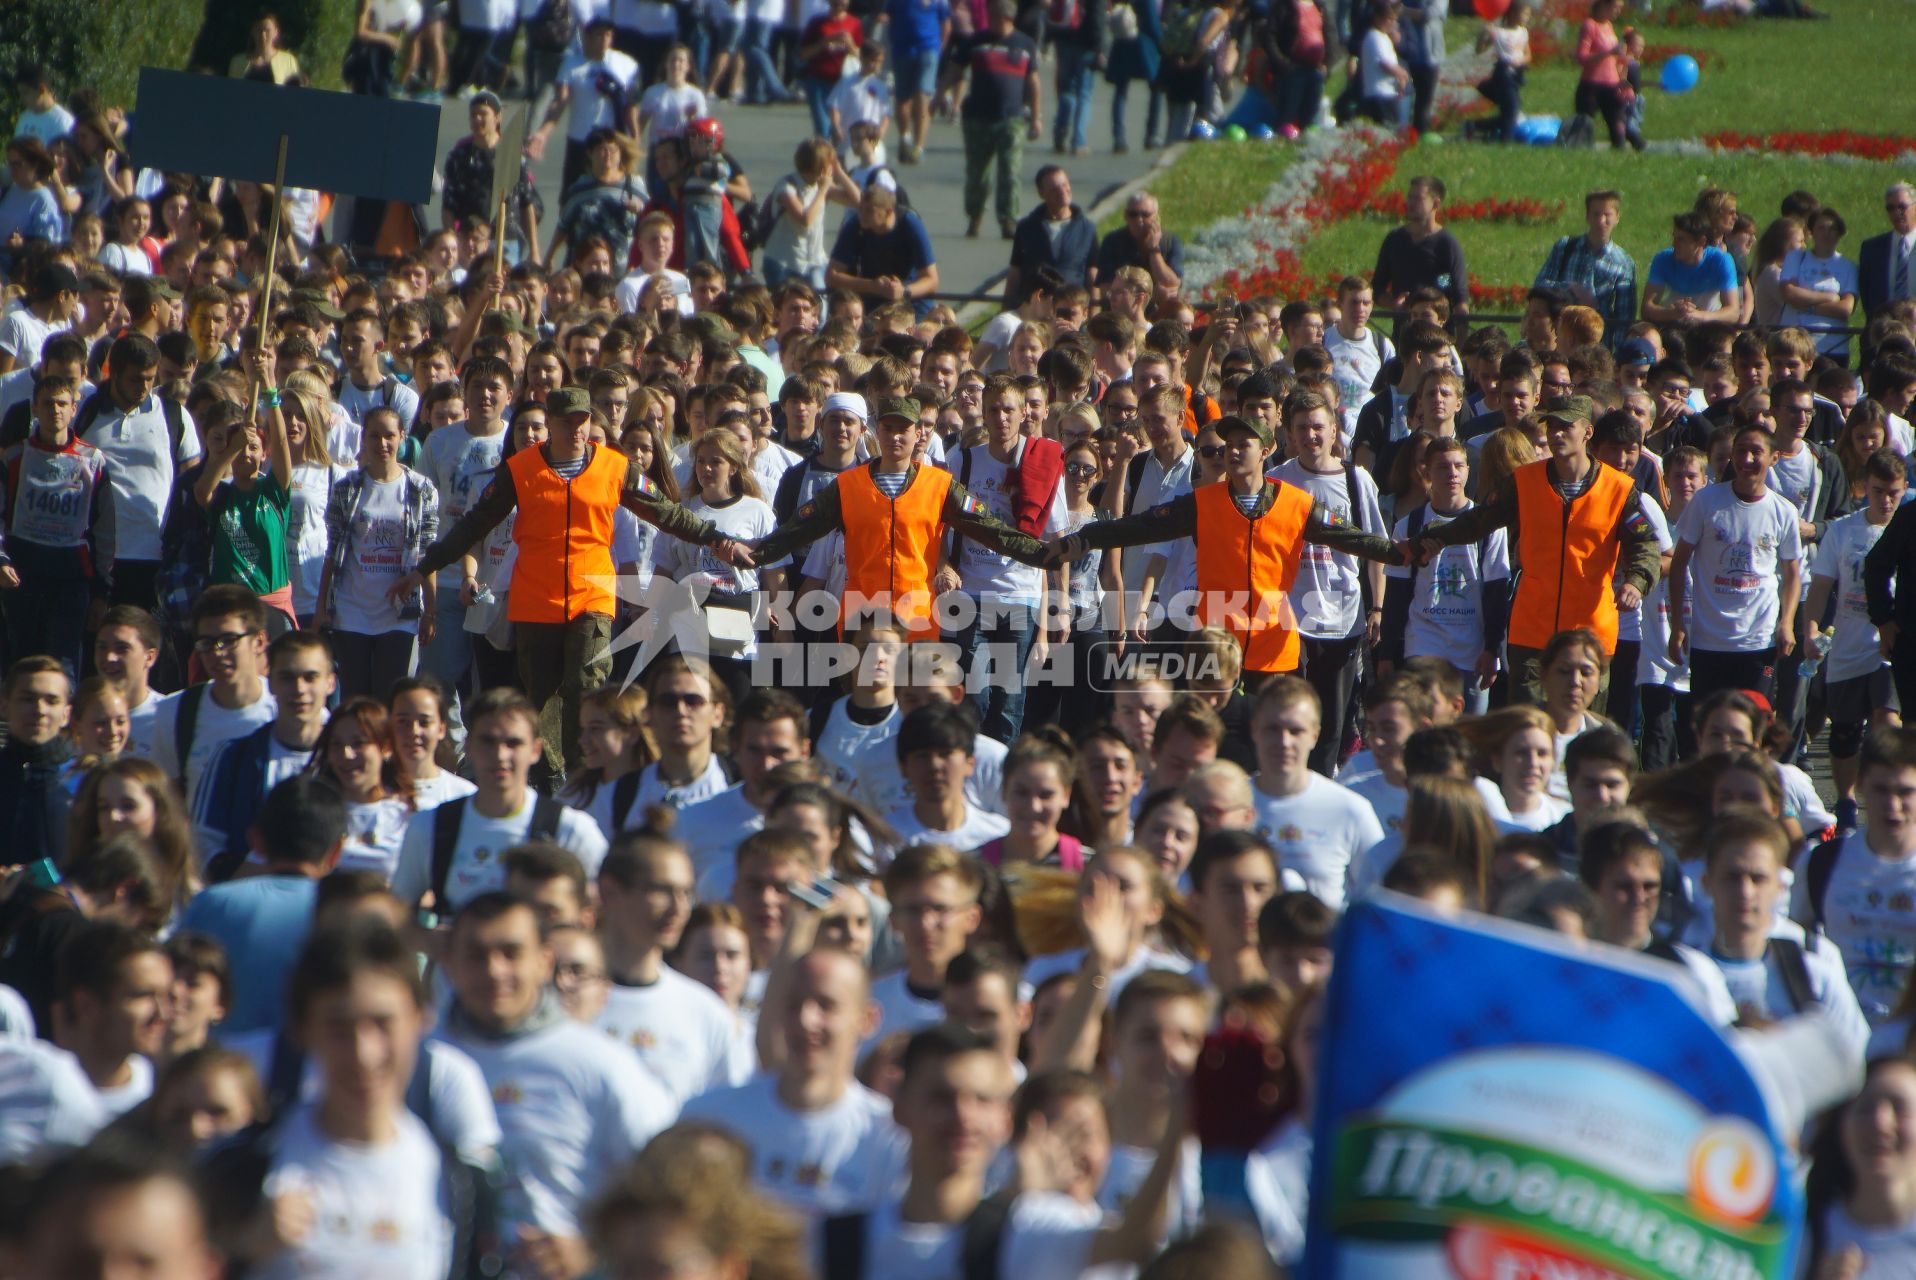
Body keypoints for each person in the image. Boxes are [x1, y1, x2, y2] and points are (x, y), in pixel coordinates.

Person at [390, 387, 750, 776]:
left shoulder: (614, 467)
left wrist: (717, 539)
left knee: (586, 685)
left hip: (591, 599)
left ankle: (588, 774)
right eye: (567, 422)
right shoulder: (521, 469)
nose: (577, 429)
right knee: (540, 700)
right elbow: (474, 524)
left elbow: (666, 513)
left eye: (583, 421)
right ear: (552, 425)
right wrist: (424, 567)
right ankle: (551, 782)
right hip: (535, 602)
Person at [201, 917, 470, 1280]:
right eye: (339, 1029)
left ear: (421, 1019)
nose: (364, 1054)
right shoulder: (244, 1169)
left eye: (382, 1023)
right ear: (301, 1030)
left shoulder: (457, 1185)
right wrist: (243, 1251)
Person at [1060, 409, 1404, 683]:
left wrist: (1402, 553)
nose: (1233, 451)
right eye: (1228, 445)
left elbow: (1354, 538)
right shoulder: (1201, 503)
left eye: (1243, 444)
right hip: (1215, 653)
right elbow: (1138, 527)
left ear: (1265, 450)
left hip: (1275, 655)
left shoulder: (1297, 504)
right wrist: (1086, 538)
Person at [434, 892, 677, 1274]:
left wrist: (594, 1248)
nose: (494, 970)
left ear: (544, 962)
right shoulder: (419, 1061)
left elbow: (668, 1187)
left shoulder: (602, 1065)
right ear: (449, 963)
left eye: (511, 952)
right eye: (476, 955)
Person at [1411, 394, 1657, 698]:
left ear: (1587, 432)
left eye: (1565, 427)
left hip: (1590, 633)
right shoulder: (1523, 482)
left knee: (1579, 732)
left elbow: (1646, 542)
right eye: (1551, 427)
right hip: (1531, 632)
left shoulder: (1619, 489)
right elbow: (1479, 521)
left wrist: (1637, 581)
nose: (1556, 434)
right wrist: (1434, 537)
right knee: (1527, 725)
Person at [682, 947, 903, 1221]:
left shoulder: (889, 1137)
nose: (805, 1020)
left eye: (826, 1005)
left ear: (867, 1020)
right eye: (793, 1004)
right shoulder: (707, 1119)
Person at [390, 689, 608, 913]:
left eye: (513, 743)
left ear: (535, 750)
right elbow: (399, 916)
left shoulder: (570, 830)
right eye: (488, 741)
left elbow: (610, 912)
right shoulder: (429, 826)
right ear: (468, 747)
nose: (500, 755)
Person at [177, 776, 346, 1036]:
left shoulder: (211, 903)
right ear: (337, 851)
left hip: (222, 1068)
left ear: (256, 841)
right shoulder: (351, 916)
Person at [1698, 808, 1867, 1059]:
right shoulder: (1682, 977)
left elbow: (1857, 1066)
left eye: (1758, 878)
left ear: (1779, 886)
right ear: (1706, 883)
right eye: (1732, 877)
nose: (1745, 892)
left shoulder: (1815, 974)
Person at [594, 830, 738, 1104]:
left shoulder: (706, 1013)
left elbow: (725, 1117)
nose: (679, 908)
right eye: (661, 890)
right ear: (609, 891)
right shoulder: (560, 1000)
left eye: (686, 893)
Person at [1667, 421, 1802, 702]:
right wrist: (1678, 623)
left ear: (1773, 458)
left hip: (1759, 640)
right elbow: (1678, 563)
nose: (1747, 460)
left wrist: (1786, 623)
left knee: (1752, 722)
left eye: (1756, 452)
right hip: (1709, 640)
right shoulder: (1706, 501)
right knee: (1709, 723)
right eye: (1740, 451)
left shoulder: (1784, 511)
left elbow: (1791, 573)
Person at [189, 631, 336, 879]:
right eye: (287, 678)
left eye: (310, 677)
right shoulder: (235, 756)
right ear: (271, 682)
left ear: (330, 683)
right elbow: (204, 845)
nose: (299, 689)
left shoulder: (350, 757)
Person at [1794, 728, 1916, 1024]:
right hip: (1840, 1033)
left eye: (1905, 792)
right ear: (1860, 785)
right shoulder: (1821, 861)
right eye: (1881, 790)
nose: (1893, 806)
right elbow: (1791, 944)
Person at [48, 919, 170, 1116]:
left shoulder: (163, 1102)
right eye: (143, 996)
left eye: (166, 996)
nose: (163, 1014)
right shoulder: (25, 1094)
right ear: (86, 1004)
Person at [1534, 190, 1636, 348]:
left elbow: (1624, 317)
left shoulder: (1624, 263)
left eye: (1607, 215)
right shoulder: (1565, 247)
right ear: (1587, 216)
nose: (1601, 221)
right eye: (1596, 214)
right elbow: (1540, 285)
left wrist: (1617, 355)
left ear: (1617, 218)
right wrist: (1569, 289)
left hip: (1597, 343)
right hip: (1560, 338)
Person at [1372, 175, 1468, 328]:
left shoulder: (1446, 244)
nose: (1410, 203)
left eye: (1418, 198)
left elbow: (1459, 299)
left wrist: (1462, 346)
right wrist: (1394, 304)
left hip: (1437, 334)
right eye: (1410, 197)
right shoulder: (1395, 239)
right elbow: (1377, 288)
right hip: (1403, 336)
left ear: (1435, 203)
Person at [827, 185, 941, 305]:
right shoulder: (855, 226)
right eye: (860, 209)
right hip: (872, 303)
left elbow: (931, 280)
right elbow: (832, 276)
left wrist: (904, 291)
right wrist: (872, 286)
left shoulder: (910, 224)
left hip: (911, 303)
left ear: (888, 212)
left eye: (869, 211)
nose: (862, 215)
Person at [1009, 166, 1099, 305]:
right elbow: (1015, 272)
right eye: (1054, 189)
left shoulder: (1087, 228)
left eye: (1064, 185)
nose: (1062, 192)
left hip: (1072, 308)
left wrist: (1094, 311)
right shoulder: (1026, 228)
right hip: (1036, 308)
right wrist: (1007, 308)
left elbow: (1092, 274)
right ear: (1042, 193)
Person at [1643, 212, 1741, 327]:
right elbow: (1646, 309)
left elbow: (1733, 312)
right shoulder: (1662, 259)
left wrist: (1698, 315)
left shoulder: (1721, 260)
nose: (1674, 244)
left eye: (1681, 240)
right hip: (1673, 323)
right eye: (1674, 237)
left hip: (1710, 323)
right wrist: (1673, 313)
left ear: (1701, 241)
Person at [1097, 193, 1184, 306]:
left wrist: (1154, 250)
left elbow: (1172, 283)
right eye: (1133, 214)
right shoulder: (1112, 241)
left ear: (1157, 216)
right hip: (1122, 312)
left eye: (1145, 214)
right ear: (1125, 216)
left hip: (1160, 313)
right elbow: (1105, 288)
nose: (1139, 220)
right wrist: (1150, 296)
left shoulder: (1170, 241)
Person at [1858, 181, 1916, 323]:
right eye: (1890, 208)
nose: (1897, 213)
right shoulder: (1872, 248)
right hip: (1883, 331)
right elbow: (1867, 294)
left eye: (1902, 207)